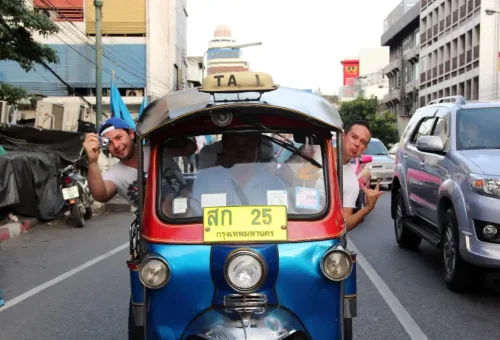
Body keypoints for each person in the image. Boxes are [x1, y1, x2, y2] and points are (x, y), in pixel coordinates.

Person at [83, 117, 195, 208]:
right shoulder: (115, 175)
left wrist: (162, 130)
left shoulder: (155, 148)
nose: (116, 146)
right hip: (156, 226)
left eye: (119, 137)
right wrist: (92, 161)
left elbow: (190, 148)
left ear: (131, 134)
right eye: (110, 143)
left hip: (189, 213)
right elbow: (100, 195)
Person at [186, 132, 285, 216]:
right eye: (233, 145)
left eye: (248, 145)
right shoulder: (206, 184)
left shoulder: (273, 185)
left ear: (258, 149)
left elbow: (286, 222)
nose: (241, 151)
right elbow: (194, 218)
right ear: (224, 149)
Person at [341, 120, 384, 232]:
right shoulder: (313, 153)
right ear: (343, 135)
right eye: (354, 137)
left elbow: (344, 225)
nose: (357, 144)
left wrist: (368, 208)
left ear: (364, 149)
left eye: (363, 142)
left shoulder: (351, 181)